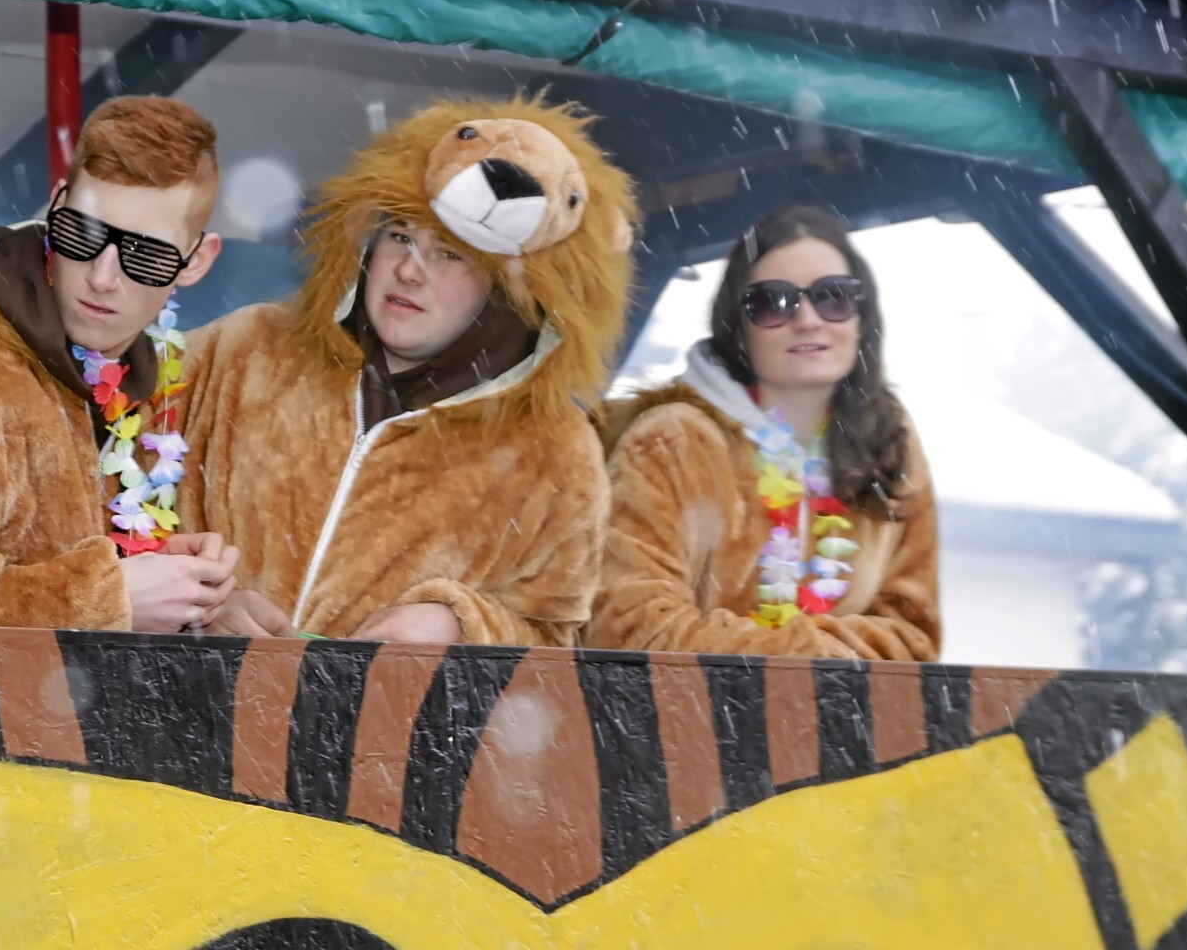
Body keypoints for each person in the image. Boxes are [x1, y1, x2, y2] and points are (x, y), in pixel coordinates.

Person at [180, 95, 638, 645]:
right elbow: (113, 481)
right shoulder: (245, 348)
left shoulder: (557, 453)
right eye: (400, 236)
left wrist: (462, 628)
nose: (409, 271)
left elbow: (553, 640)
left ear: (508, 293)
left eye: (451, 254)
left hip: (386, 709)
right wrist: (196, 603)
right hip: (175, 696)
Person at [0, 96, 239, 632]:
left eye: (146, 256)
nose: (102, 277)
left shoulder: (148, 384)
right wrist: (109, 598)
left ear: (197, 261)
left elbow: (52, 547)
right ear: (57, 204)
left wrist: (179, 586)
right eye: (83, 233)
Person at [587, 204, 940, 660]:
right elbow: (629, 631)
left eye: (834, 297)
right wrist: (807, 655)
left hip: (840, 708)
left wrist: (817, 667)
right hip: (684, 707)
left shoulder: (889, 438)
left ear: (862, 317)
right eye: (774, 302)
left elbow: (914, 638)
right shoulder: (673, 441)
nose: (808, 319)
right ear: (739, 327)